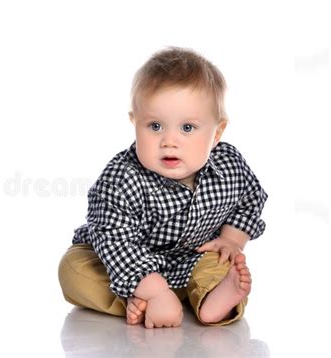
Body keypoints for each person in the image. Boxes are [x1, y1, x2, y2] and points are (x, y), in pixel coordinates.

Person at [58, 46, 268, 328]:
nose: (169, 141)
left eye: (187, 128)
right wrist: (153, 287)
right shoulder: (121, 179)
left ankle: (213, 301)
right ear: (135, 123)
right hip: (124, 261)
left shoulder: (229, 165)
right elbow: (114, 241)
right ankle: (143, 299)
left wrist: (231, 240)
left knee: (221, 263)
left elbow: (251, 198)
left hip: (192, 259)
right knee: (73, 270)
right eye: (155, 126)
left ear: (216, 132)